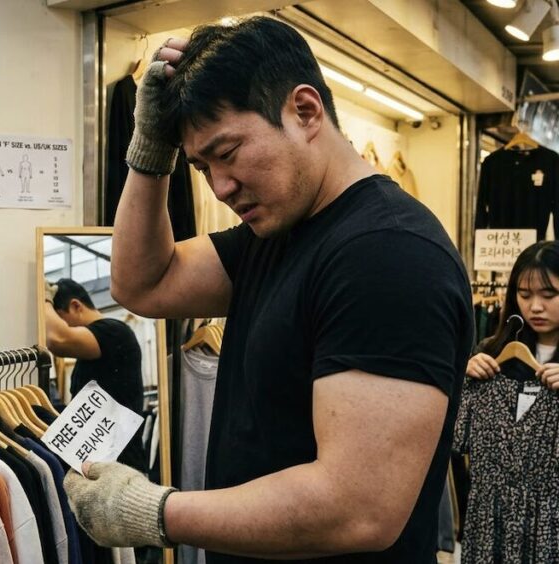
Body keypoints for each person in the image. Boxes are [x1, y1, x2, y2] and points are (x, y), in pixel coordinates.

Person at [62, 16, 473, 563]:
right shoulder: (278, 229)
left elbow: (358, 507)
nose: (221, 187)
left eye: (228, 153)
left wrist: (156, 511)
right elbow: (144, 284)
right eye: (203, 166)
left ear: (304, 111)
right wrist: (150, 151)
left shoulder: (388, 254)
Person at [43, 278, 149, 472]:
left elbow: (58, 338)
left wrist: (44, 300)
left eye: (59, 317)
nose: (56, 324)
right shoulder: (92, 353)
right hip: (102, 469)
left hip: (122, 471)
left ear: (76, 306)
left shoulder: (114, 332)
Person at [466, 241, 559, 390]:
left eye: (548, 295)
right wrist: (466, 375)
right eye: (525, 295)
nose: (535, 307)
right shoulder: (492, 351)